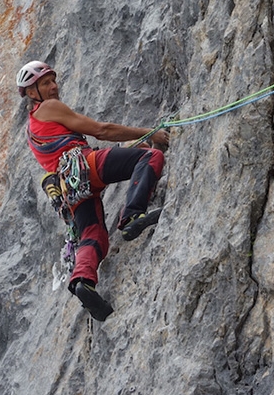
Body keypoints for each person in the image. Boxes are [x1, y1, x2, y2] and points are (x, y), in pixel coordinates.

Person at [18, 60, 169, 321]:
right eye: (45, 83)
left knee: (93, 234)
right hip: (83, 167)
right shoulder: (49, 108)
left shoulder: (32, 130)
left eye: (53, 80)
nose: (53, 87)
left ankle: (82, 282)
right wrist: (151, 133)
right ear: (32, 93)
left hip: (68, 189)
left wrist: (132, 143)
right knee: (150, 158)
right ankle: (132, 216)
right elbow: (101, 130)